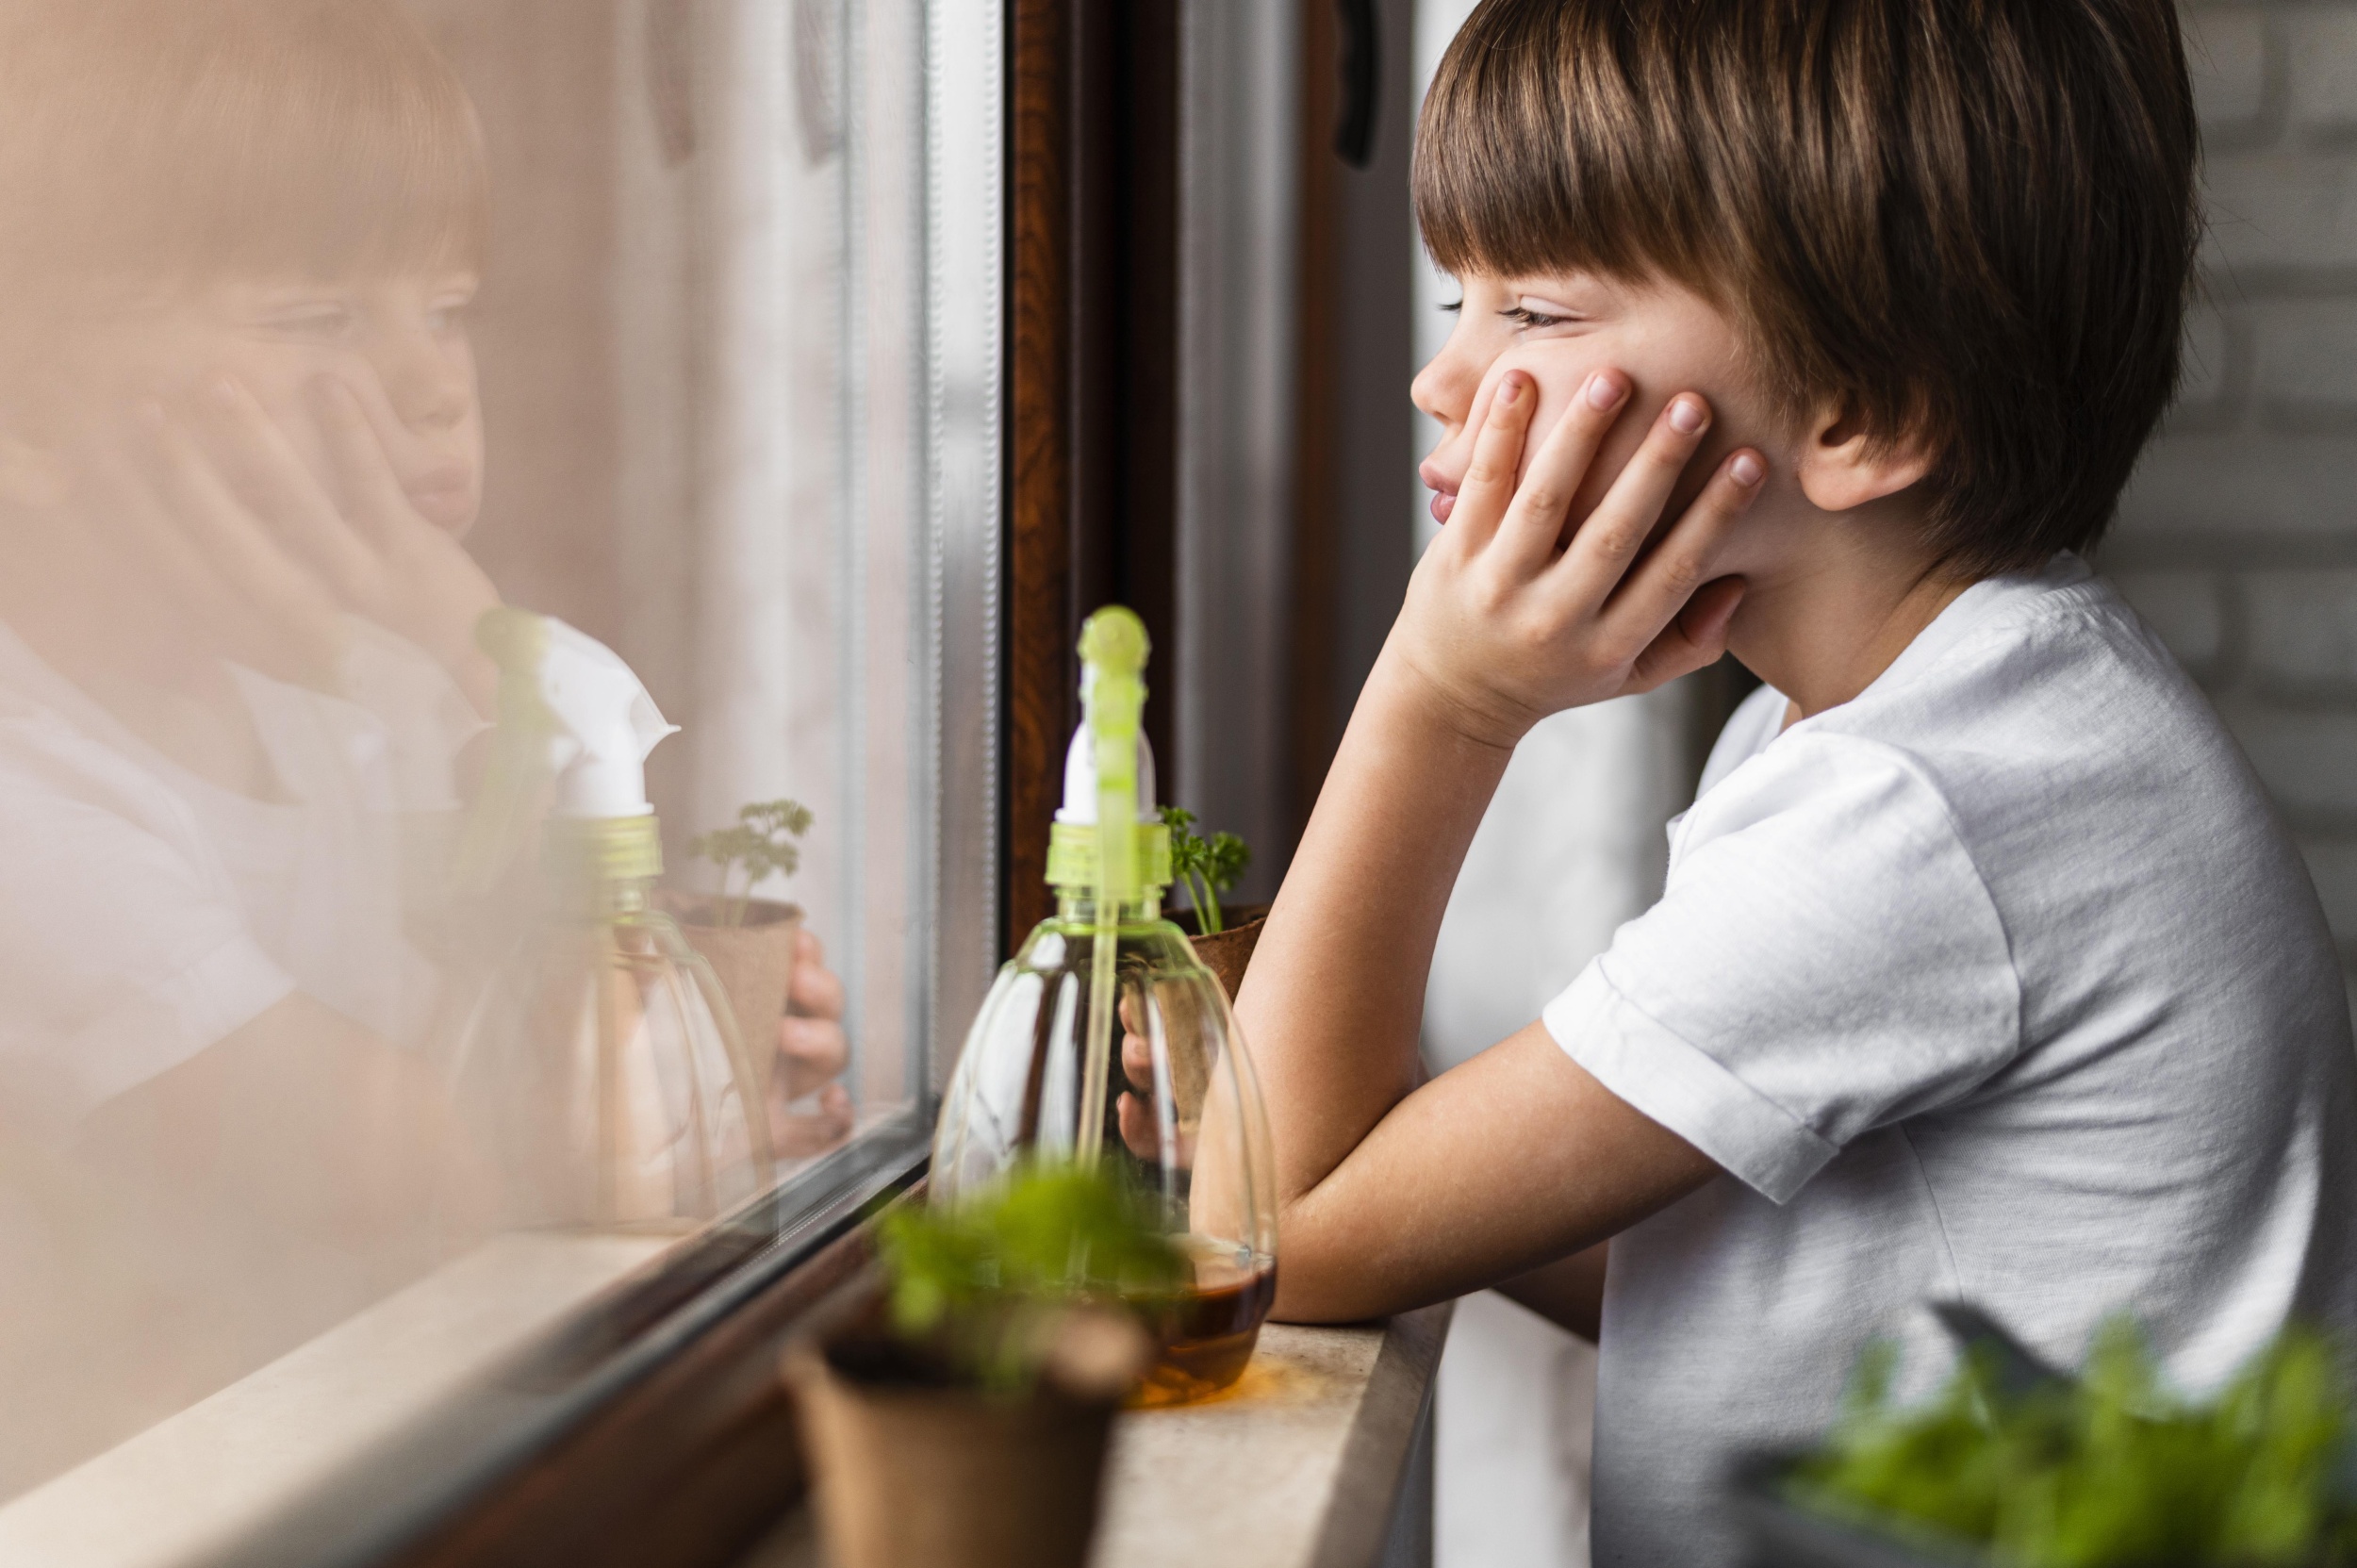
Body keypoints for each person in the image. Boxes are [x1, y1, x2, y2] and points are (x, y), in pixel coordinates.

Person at [1233, 3, 2357, 1563]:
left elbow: (1265, 1232)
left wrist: (1445, 697)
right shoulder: (1904, 729)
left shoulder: (1924, 810)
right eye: (1455, 298)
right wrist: (1426, 1171)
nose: (1446, 380)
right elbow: (1728, 1265)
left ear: (1866, 409)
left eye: (1536, 315)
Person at [0, 0, 849, 1490]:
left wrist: (719, 1064)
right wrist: (474, 635)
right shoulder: (33, 814)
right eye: (314, 320)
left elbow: (625, 1074)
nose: (433, 383)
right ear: (26, 408)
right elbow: (504, 1175)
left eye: (448, 310)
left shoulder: (354, 718)